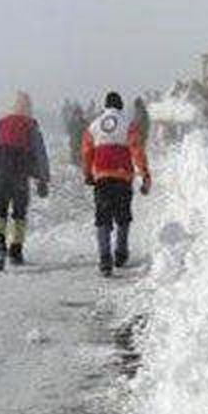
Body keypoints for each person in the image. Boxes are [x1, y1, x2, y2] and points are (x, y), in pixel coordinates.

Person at [82, 91, 151, 276]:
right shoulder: (129, 124)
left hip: (102, 177)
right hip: (123, 176)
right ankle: (120, 253)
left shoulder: (94, 126)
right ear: (121, 106)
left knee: (102, 218)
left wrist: (88, 173)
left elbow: (87, 151)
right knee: (123, 217)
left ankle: (105, 259)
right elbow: (137, 150)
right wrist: (144, 174)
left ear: (105, 106)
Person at [0, 91, 50, 271]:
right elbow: (40, 154)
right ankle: (15, 250)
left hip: (1, 171)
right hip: (20, 173)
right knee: (19, 211)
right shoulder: (31, 125)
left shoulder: (1, 123)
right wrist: (42, 179)